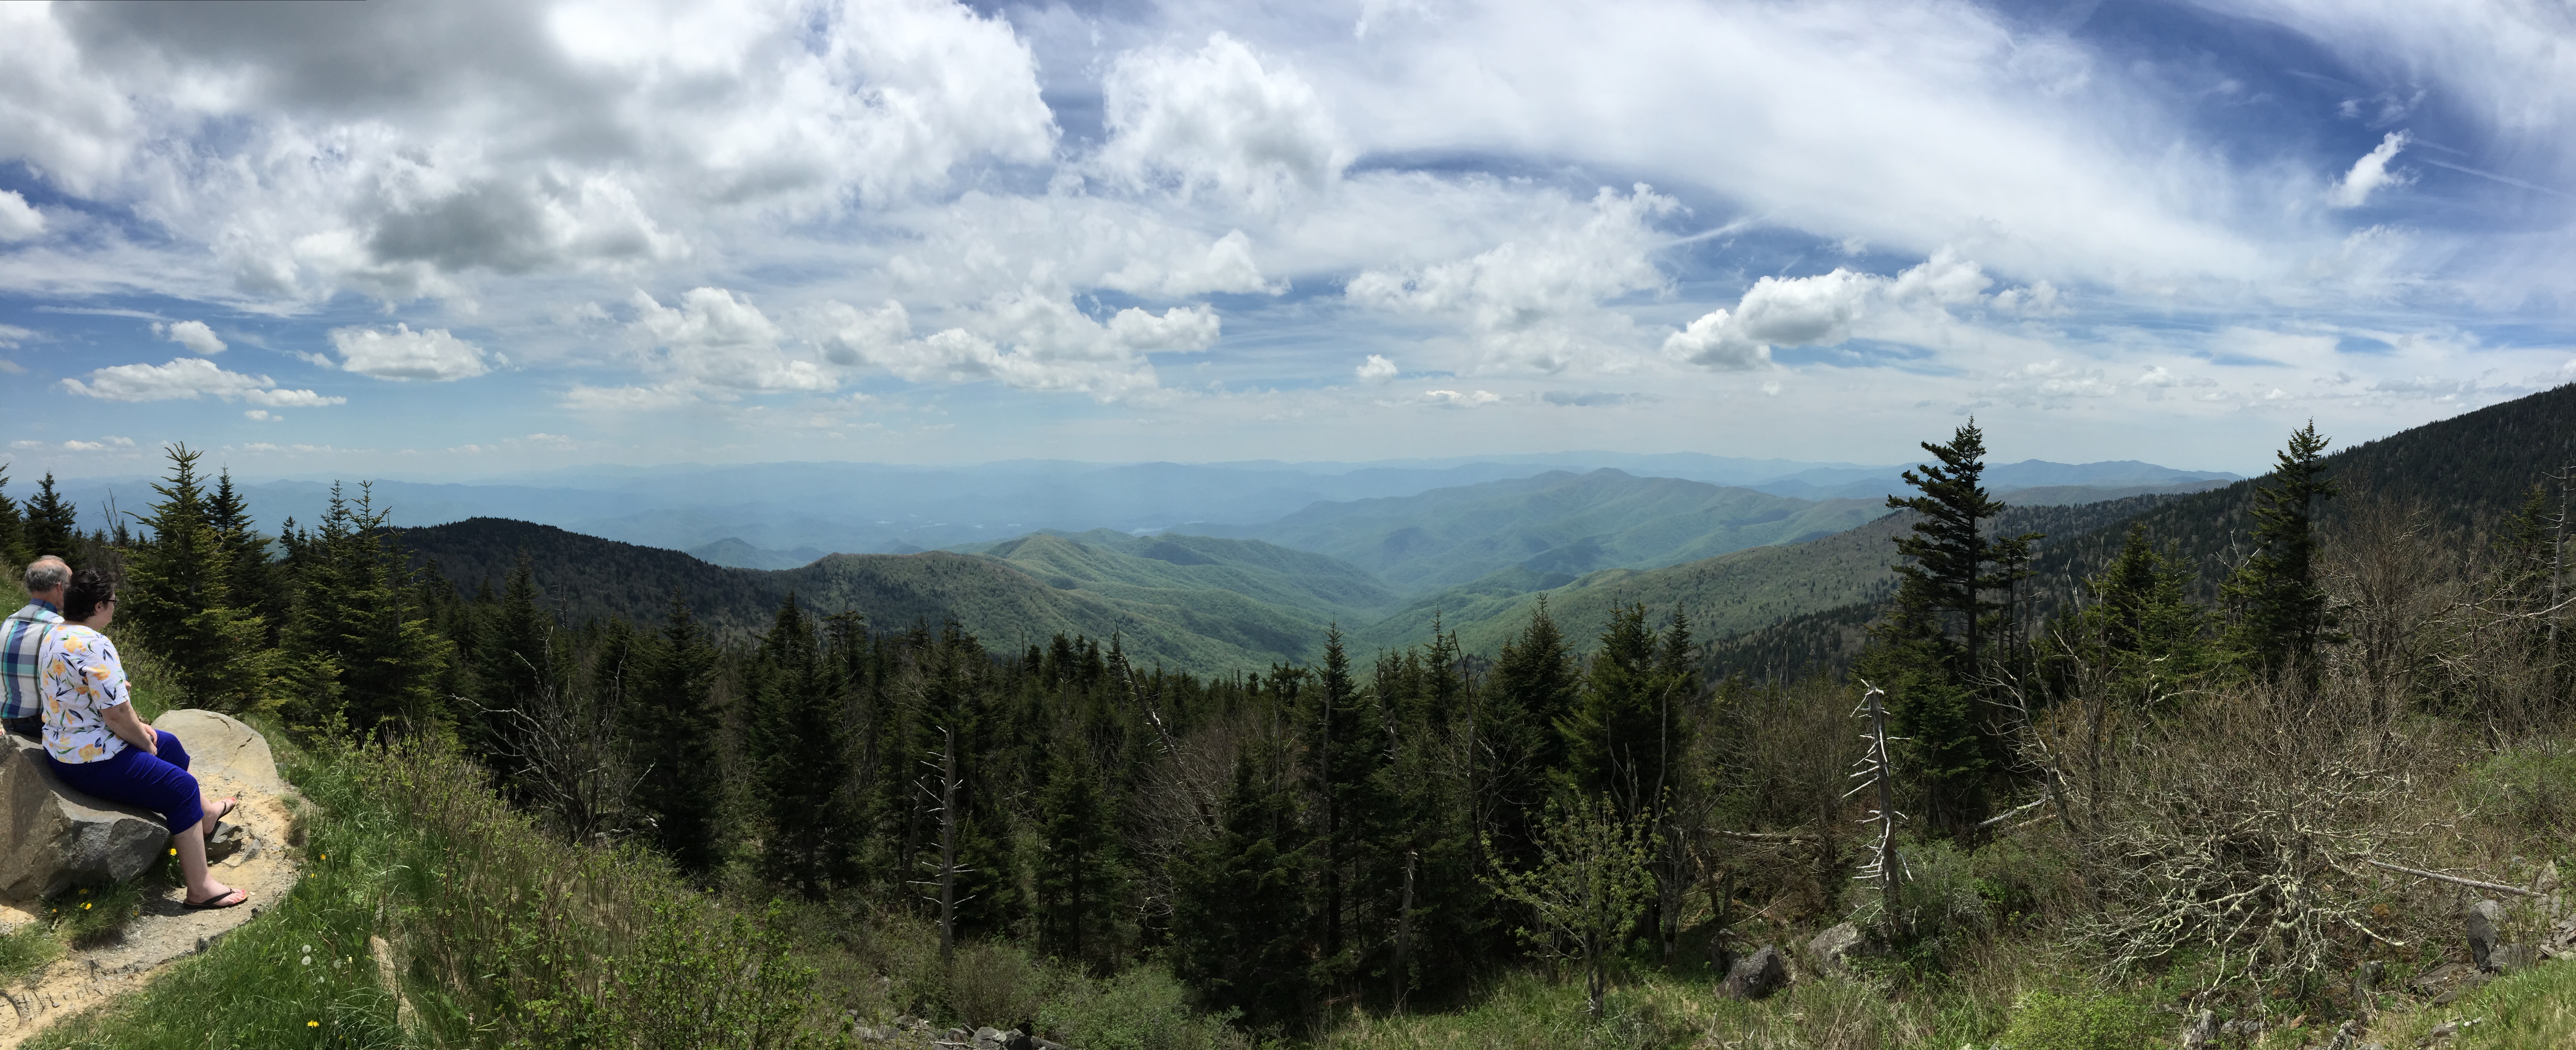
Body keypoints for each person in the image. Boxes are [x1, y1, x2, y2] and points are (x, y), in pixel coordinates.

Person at [37, 569, 246, 909]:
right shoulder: (95, 644)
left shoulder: (55, 633)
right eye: (113, 602)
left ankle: (205, 815)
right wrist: (142, 741)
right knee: (181, 788)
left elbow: (98, 700)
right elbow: (117, 715)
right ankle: (201, 888)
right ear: (100, 604)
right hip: (92, 760)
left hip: (66, 746)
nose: (114, 608)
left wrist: (142, 729)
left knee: (171, 745)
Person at [3, 557, 71, 742]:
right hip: (39, 724)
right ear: (60, 588)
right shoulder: (62, 629)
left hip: (9, 721)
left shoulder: (8, 622)